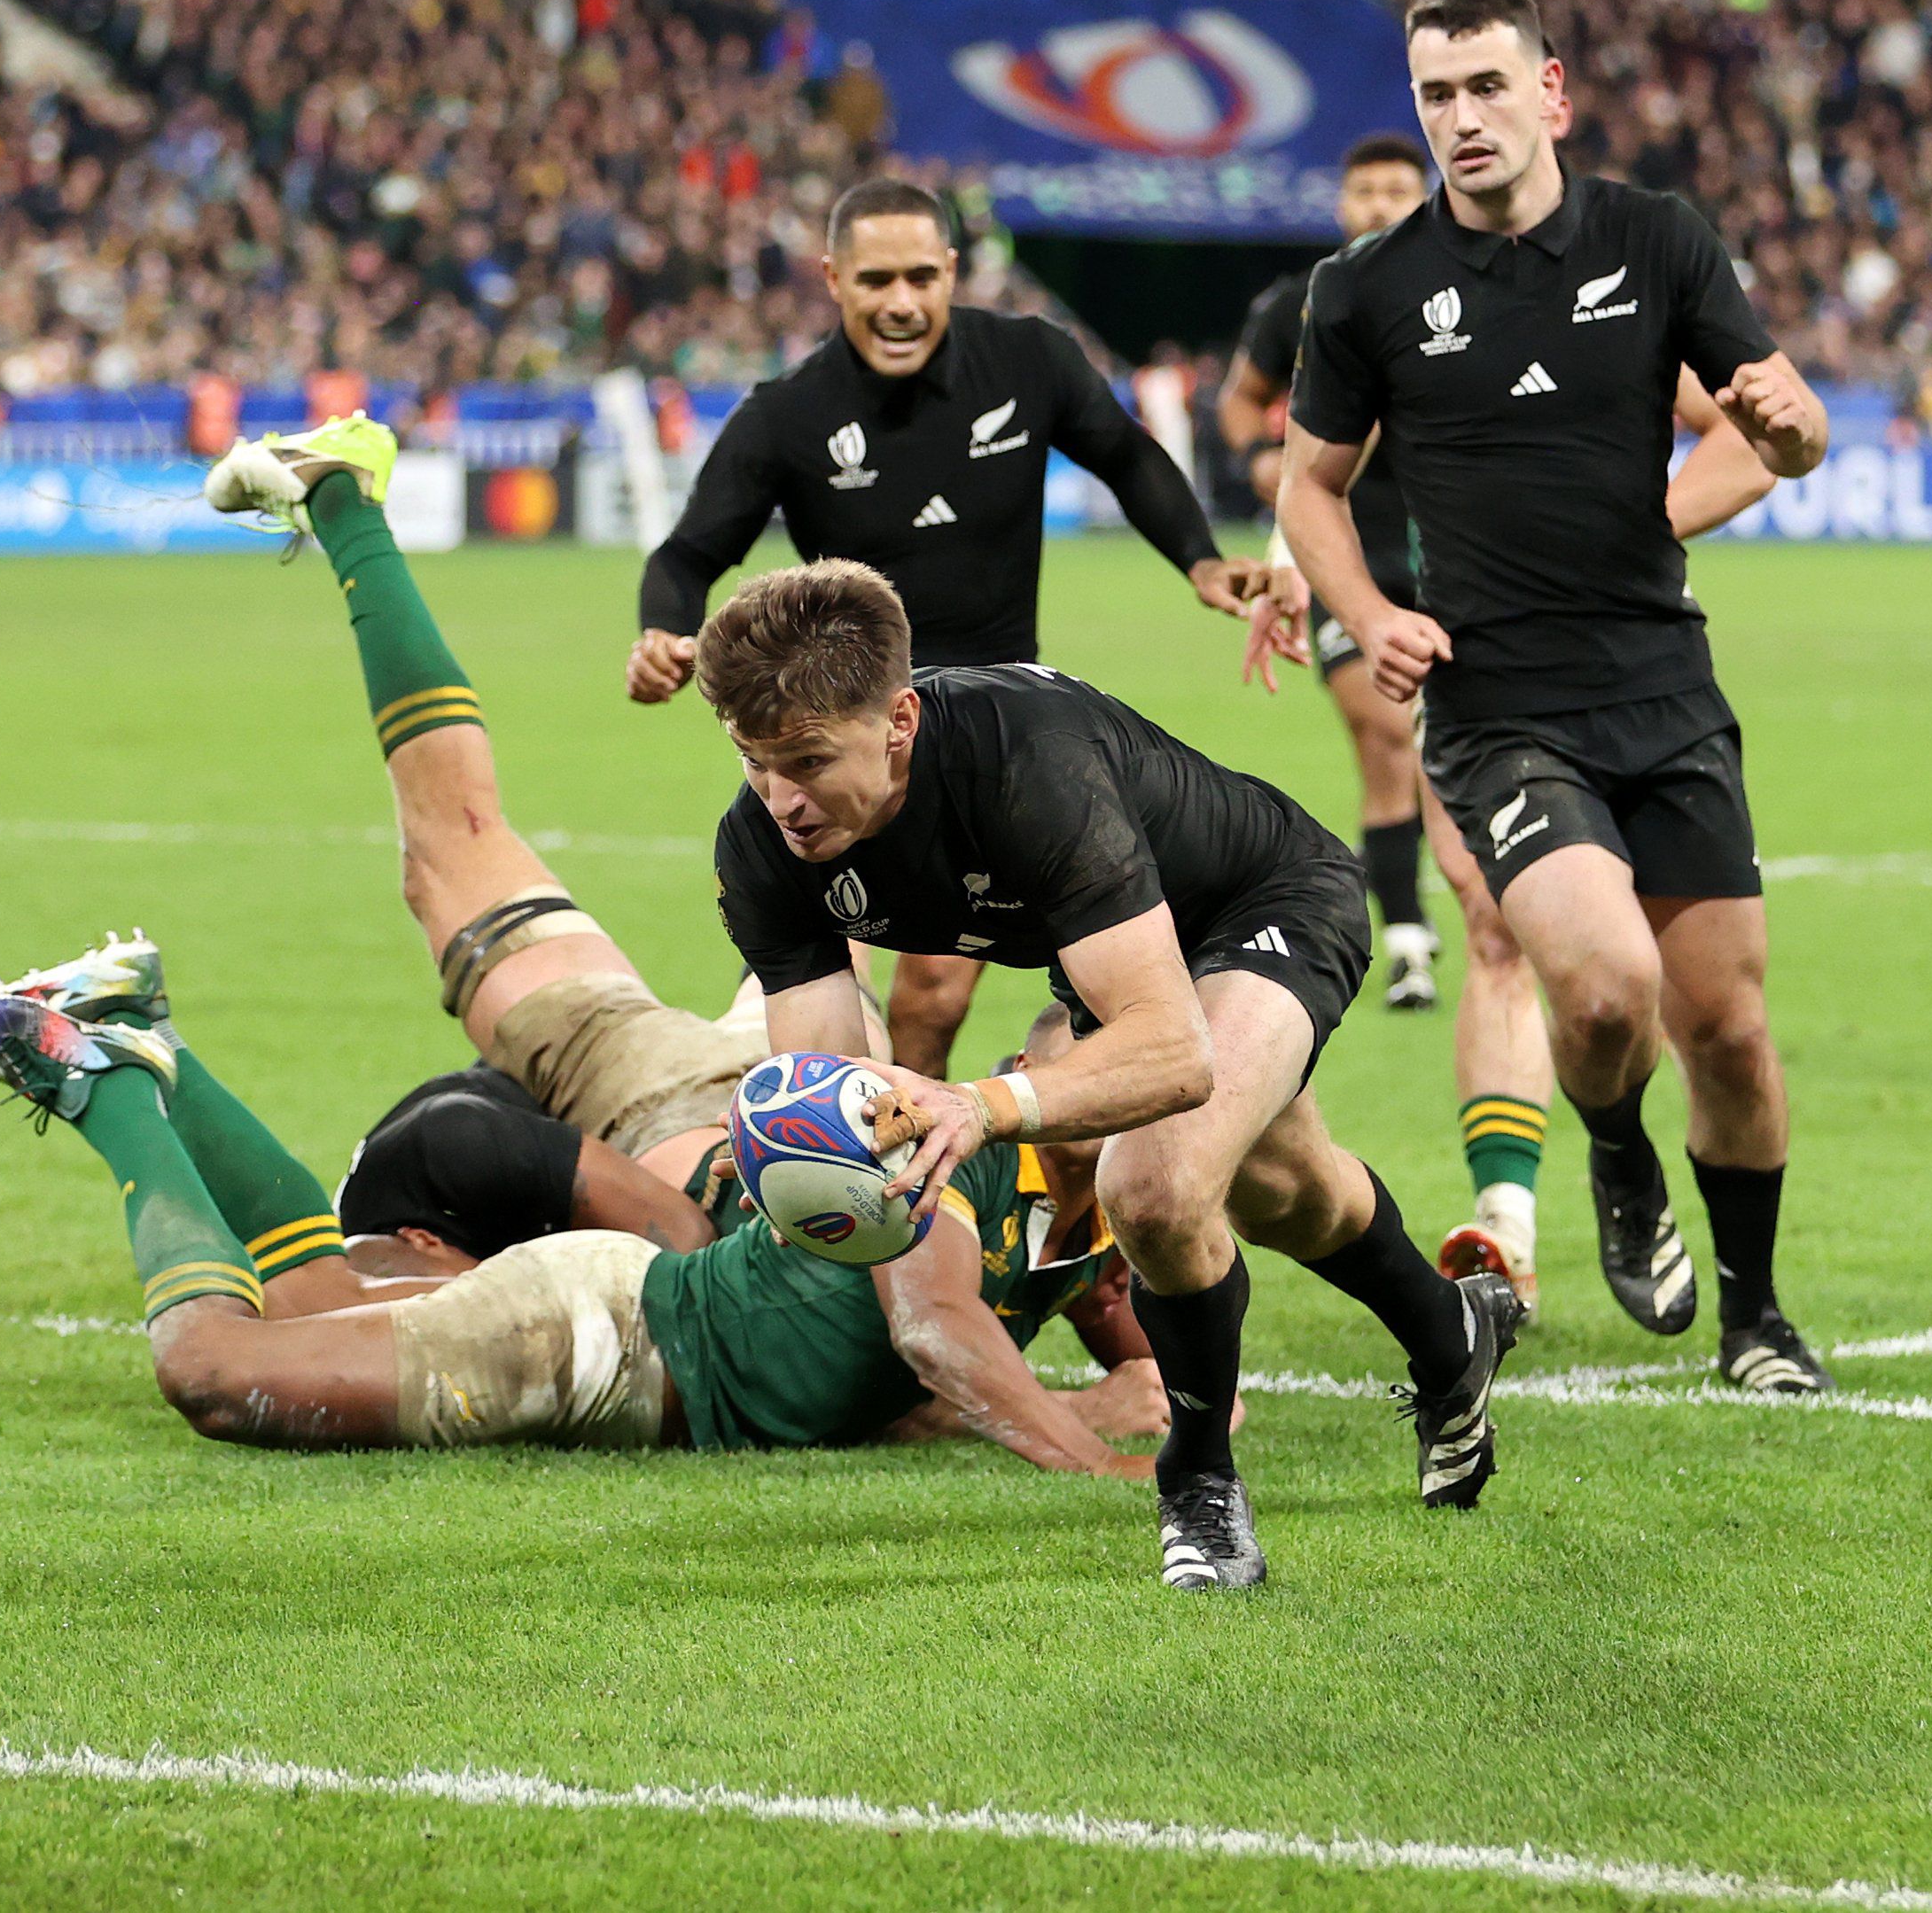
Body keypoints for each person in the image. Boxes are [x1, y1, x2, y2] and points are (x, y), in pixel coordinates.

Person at [693, 558, 1522, 1591]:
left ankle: (1199, 1485)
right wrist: (800, 1157)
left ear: (899, 718)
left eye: (809, 759)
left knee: (1155, 1185)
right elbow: (831, 1075)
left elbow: (1175, 1050)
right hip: (1119, 955)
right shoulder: (763, 845)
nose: (782, 798)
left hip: (1266, 902)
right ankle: (1455, 1331)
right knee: (1285, 1189)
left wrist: (982, 1105)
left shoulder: (1022, 759)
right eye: (754, 759)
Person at [1275, 0, 1835, 1395]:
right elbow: (1308, 489)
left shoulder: (1653, 239)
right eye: (1434, 94)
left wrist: (1774, 448)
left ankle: (1756, 1316)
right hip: (1496, 706)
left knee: (1726, 1024)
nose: (1461, 118)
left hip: (1661, 686)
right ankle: (1611, 1152)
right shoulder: (1367, 289)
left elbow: (1779, 423)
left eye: (1483, 87)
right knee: (1600, 990)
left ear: (1549, 91)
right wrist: (1363, 612)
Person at [0, 939, 1172, 1469]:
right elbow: (935, 1335)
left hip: (631, 1332)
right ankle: (98, 1088)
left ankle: (150, 1036)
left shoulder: (1094, 1218)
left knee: (304, 1297)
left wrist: (1147, 1387)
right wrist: (1096, 1452)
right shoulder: (947, 1148)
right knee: (210, 1367)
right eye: (1121, 1091)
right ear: (1046, 1084)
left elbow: (1129, 1345)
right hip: (603, 1338)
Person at [629, 177, 1271, 1085]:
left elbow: (1125, 456)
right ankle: (836, 1152)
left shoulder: (1029, 360)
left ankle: (917, 1160)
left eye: (922, 277)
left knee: (933, 992)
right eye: (877, 279)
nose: (901, 301)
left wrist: (1203, 560)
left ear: (954, 273)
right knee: (823, 970)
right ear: (833, 279)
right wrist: (663, 629)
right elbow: (690, 551)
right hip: (843, 734)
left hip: (989, 741)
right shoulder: (790, 412)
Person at [1218, 134, 1453, 1014]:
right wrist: (1257, 458)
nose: (1382, 204)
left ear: (1425, 197)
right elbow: (1240, 397)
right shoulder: (1300, 303)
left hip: (1452, 546)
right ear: (1341, 203)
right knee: (1385, 727)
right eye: (1366, 190)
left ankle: (1431, 912)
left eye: (1399, 188)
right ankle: (1405, 937)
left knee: (1433, 743)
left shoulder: (1462, 292)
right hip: (1341, 549)